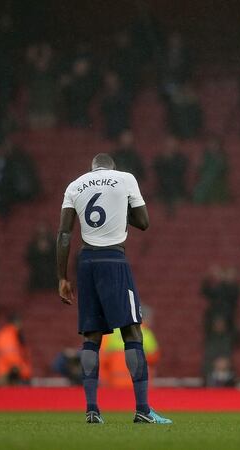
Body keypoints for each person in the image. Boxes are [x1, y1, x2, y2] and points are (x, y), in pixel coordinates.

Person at [56, 153, 171, 424]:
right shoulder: (124, 179)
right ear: (112, 167)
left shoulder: (75, 185)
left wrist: (62, 277)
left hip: (86, 263)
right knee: (132, 331)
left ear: (91, 168)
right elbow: (143, 222)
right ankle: (143, 409)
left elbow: (63, 234)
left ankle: (92, 410)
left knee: (91, 337)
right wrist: (120, 209)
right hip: (113, 260)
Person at [0, 314, 32, 386]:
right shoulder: (7, 335)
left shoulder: (16, 334)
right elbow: (8, 352)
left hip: (15, 372)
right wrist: (17, 367)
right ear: (15, 322)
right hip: (8, 373)